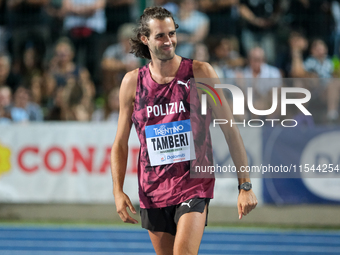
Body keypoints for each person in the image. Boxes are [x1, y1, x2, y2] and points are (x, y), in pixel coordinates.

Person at [110, 7, 257, 255]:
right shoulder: (132, 82)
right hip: (153, 188)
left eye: (171, 33)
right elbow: (120, 143)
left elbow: (230, 130)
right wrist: (117, 190)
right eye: (160, 36)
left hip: (193, 184)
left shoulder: (201, 73)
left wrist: (245, 185)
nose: (168, 41)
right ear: (145, 39)